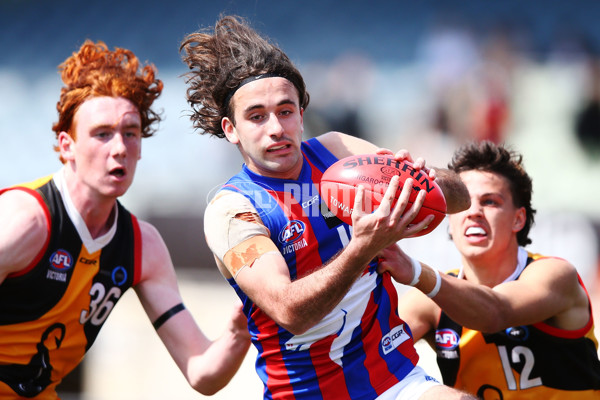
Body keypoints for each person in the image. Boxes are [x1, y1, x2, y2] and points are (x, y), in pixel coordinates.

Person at [180, 15, 475, 400]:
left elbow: (458, 197)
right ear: (230, 130)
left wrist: (419, 176)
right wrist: (362, 248)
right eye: (256, 116)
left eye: (286, 111)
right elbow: (291, 312)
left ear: (302, 114)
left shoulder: (336, 153)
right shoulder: (232, 210)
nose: (276, 128)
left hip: (395, 380)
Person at [0, 40, 251, 398]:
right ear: (66, 145)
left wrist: (239, 330)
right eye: (102, 133)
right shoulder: (25, 221)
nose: (119, 147)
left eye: (130, 133)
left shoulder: (141, 246)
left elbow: (201, 372)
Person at [388, 140, 600, 398]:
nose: (473, 211)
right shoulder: (428, 302)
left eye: (489, 202)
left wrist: (413, 271)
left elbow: (495, 312)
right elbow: (369, 355)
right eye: (462, 203)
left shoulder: (555, 274)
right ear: (449, 218)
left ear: (518, 219)